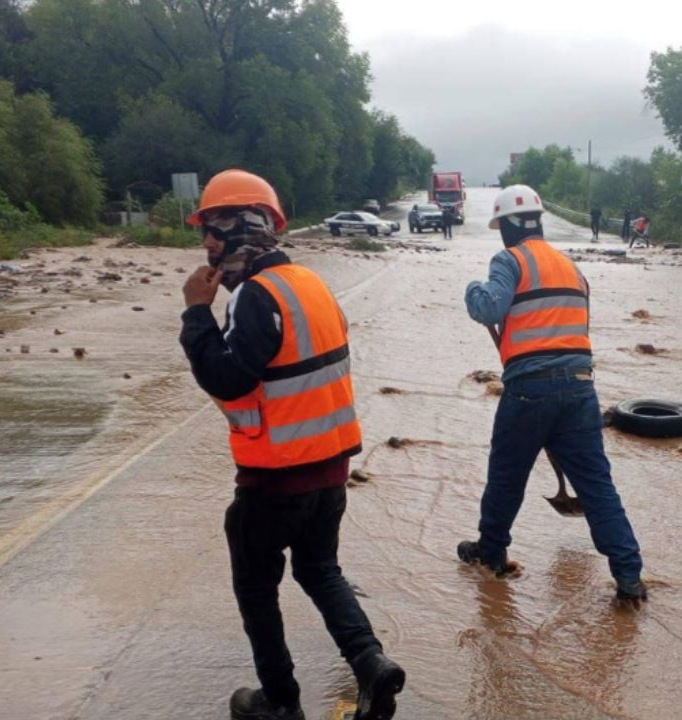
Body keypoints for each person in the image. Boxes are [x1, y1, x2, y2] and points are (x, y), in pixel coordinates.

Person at [178, 169, 405, 720]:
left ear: (245, 229)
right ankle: (371, 666)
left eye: (214, 230)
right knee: (319, 568)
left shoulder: (256, 297)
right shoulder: (311, 285)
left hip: (274, 475)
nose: (207, 244)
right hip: (329, 472)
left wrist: (194, 315)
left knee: (256, 588)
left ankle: (280, 701)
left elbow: (229, 379)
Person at [459, 184, 647, 606]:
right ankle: (629, 575)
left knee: (506, 476)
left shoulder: (509, 259)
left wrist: (473, 288)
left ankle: (490, 552)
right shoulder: (571, 267)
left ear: (507, 226)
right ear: (539, 221)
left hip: (529, 390)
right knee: (598, 485)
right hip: (580, 388)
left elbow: (489, 308)